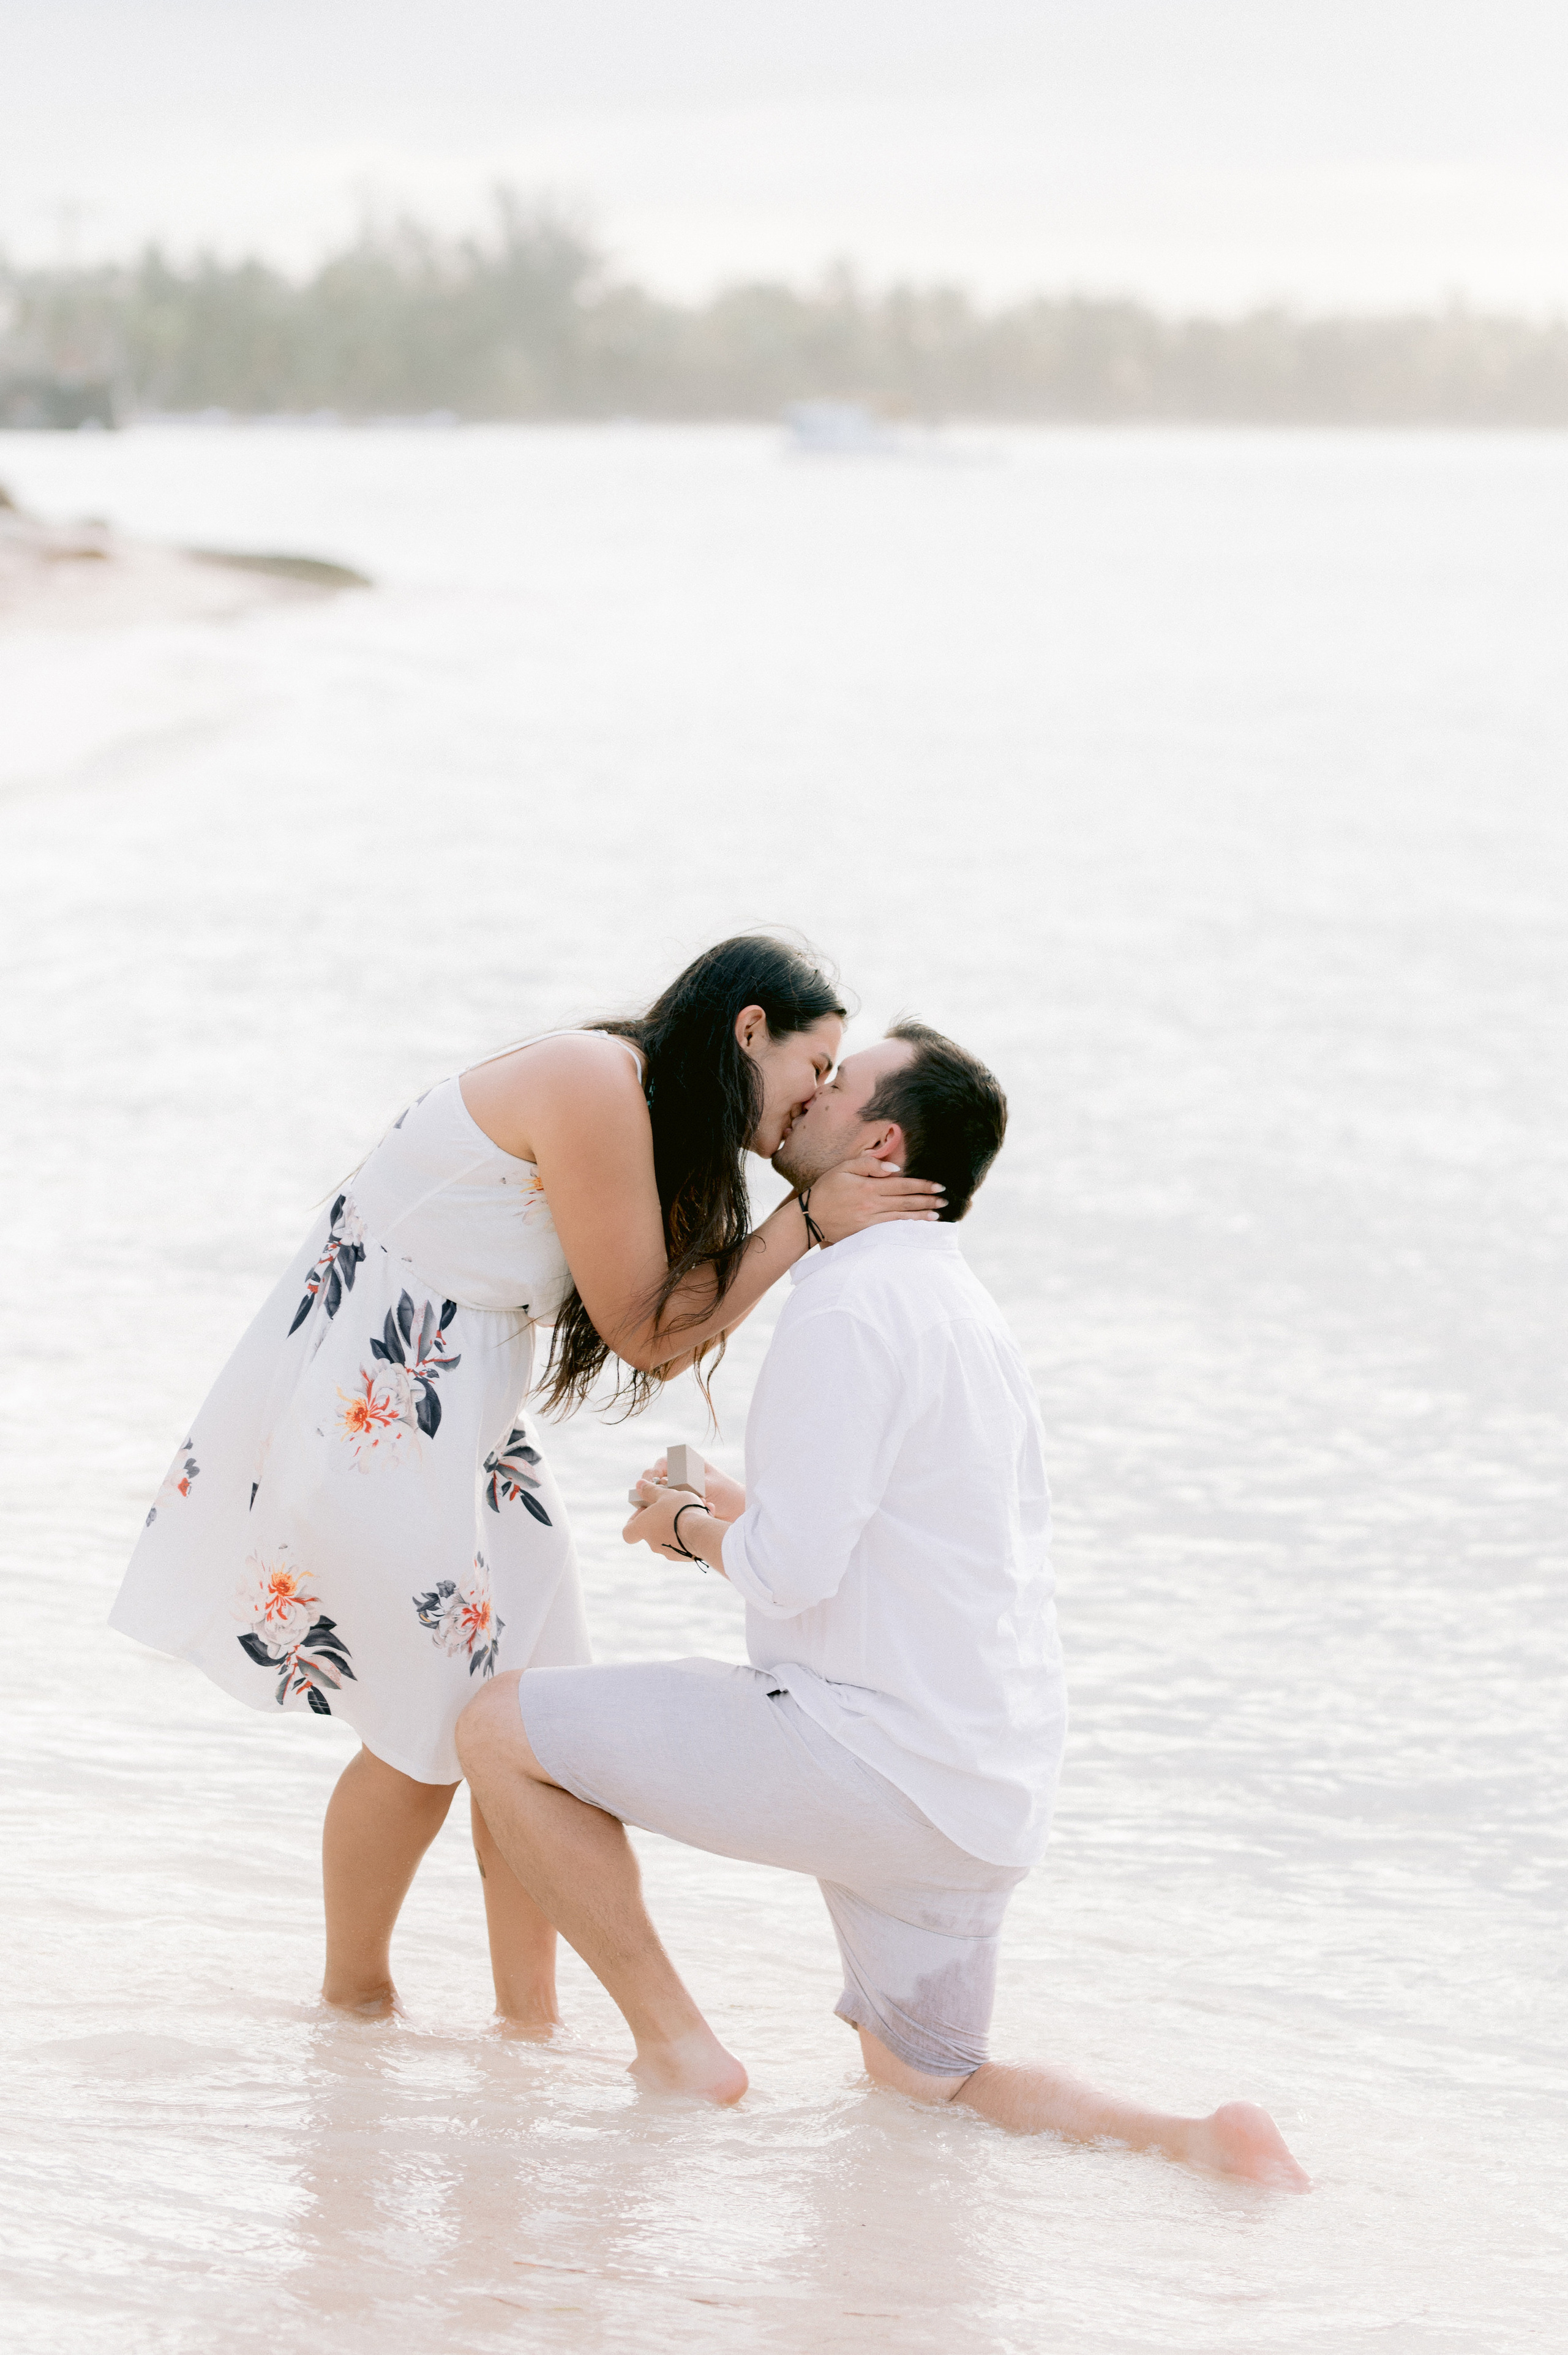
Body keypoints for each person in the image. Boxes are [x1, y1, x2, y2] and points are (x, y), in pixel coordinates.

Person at [457, 1022, 1310, 2187]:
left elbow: (788, 1575)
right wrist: (731, 1505)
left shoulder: (847, 1305)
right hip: (980, 1788)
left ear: (882, 1138)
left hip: (874, 1758)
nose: (805, 1094)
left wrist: (686, 1528)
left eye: (834, 1085)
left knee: (498, 1730)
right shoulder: (958, 1305)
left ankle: (676, 2047)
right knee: (929, 2081)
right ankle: (1193, 2144)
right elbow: (897, 1544)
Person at [109, 939, 944, 2026]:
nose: (814, 1099)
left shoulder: (646, 1114)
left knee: (541, 1739)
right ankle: (351, 2005)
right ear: (749, 1030)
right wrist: (806, 1220)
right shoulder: (593, 1081)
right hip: (381, 1417)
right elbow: (648, 1334)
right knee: (423, 1742)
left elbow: (663, 1324)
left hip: (461, 1426)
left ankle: (529, 2029)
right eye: (815, 1064)